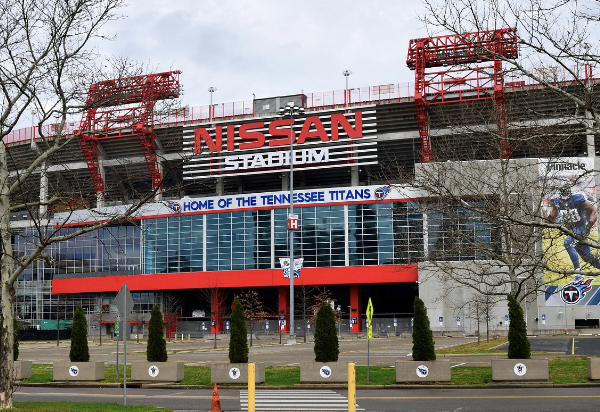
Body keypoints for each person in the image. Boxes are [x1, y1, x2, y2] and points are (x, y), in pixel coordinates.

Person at [548, 186, 600, 270]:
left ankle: (577, 270)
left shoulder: (577, 198)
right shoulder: (556, 201)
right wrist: (544, 224)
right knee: (586, 256)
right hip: (570, 229)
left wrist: (588, 227)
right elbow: (553, 213)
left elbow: (594, 210)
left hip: (581, 227)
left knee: (568, 243)